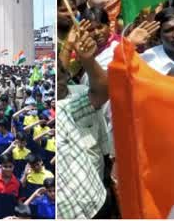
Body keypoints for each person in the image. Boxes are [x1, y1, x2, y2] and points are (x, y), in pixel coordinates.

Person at [56, 26, 110, 219]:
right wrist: (68, 47)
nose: (57, 81)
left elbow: (102, 92)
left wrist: (87, 60)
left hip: (94, 203)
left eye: (61, 75)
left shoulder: (66, 107)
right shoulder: (54, 108)